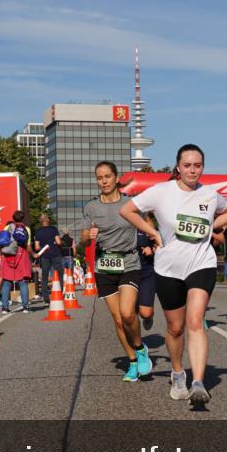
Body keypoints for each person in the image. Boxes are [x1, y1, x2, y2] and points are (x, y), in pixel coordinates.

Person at [121, 144, 227, 407]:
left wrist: (208, 228)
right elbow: (127, 210)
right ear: (178, 167)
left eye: (198, 165)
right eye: (188, 165)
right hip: (168, 267)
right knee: (175, 327)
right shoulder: (162, 192)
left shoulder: (210, 194)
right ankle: (178, 372)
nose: (193, 170)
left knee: (195, 320)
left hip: (201, 263)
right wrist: (153, 232)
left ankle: (198, 383)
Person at [81, 162, 151, 382]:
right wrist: (88, 236)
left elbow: (147, 224)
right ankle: (132, 361)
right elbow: (82, 239)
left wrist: (154, 239)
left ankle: (139, 348)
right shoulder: (91, 207)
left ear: (116, 178)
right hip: (105, 264)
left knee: (128, 312)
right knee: (118, 320)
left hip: (129, 261)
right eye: (99, 177)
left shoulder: (130, 203)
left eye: (107, 176)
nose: (103, 181)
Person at [0, 211, 34, 314]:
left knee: (6, 282)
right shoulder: (26, 229)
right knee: (23, 282)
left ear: (13, 218)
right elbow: (27, 245)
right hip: (21, 254)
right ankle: (25, 306)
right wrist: (33, 254)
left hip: (8, 254)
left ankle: (5, 307)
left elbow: (1, 241)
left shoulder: (7, 227)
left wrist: (1, 255)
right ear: (23, 218)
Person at [33, 214, 62, 303]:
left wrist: (43, 247)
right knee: (59, 274)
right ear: (48, 220)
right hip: (56, 254)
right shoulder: (53, 229)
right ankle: (60, 294)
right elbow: (58, 242)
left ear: (40, 221)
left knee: (44, 276)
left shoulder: (38, 232)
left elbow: (37, 247)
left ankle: (46, 297)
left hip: (45, 256)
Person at [136, 225, 157, 331]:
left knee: (145, 313)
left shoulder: (147, 226)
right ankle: (136, 341)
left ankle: (149, 316)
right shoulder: (120, 227)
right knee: (129, 313)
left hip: (146, 272)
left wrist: (153, 250)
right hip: (126, 273)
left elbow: (162, 244)